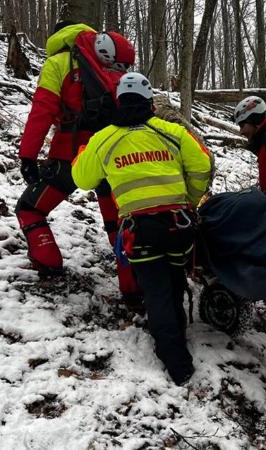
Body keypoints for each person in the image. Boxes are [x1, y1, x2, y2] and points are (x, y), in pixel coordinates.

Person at [71, 72, 213, 385]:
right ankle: (178, 337)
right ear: (149, 101)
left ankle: (177, 363)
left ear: (119, 101)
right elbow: (203, 165)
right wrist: (188, 201)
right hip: (178, 224)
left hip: (141, 228)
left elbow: (81, 179)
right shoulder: (171, 131)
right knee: (174, 280)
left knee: (157, 290)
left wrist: (84, 152)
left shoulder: (104, 138)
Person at [14, 22, 141, 306]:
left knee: (30, 209)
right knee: (118, 224)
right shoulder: (109, 61)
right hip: (112, 152)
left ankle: (48, 262)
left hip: (70, 154)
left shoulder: (59, 63)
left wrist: (28, 156)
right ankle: (134, 290)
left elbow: (42, 110)